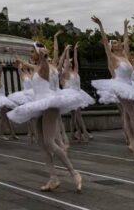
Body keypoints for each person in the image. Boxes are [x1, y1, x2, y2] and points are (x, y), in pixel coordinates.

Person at [9, 39, 85, 193]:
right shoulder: (42, 67)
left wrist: (44, 55)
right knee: (41, 142)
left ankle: (74, 173)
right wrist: (20, 60)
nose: (31, 55)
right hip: (41, 103)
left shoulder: (44, 65)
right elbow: (32, 66)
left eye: (32, 52)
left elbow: (40, 64)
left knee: (49, 142)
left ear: (38, 53)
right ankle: (53, 177)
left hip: (48, 103)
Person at [90, 16, 134, 162]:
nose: (119, 44)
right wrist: (101, 25)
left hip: (131, 86)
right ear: (112, 47)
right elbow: (105, 43)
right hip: (121, 86)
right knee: (132, 116)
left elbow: (126, 42)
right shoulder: (113, 59)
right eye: (115, 43)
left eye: (119, 42)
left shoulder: (126, 57)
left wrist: (127, 29)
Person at [62, 42, 95, 142]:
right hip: (71, 94)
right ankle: (84, 133)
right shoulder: (66, 73)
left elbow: (76, 61)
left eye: (70, 62)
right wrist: (67, 51)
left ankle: (73, 134)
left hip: (78, 93)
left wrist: (75, 50)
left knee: (74, 115)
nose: (70, 62)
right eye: (68, 62)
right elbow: (68, 60)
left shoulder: (75, 70)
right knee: (77, 114)